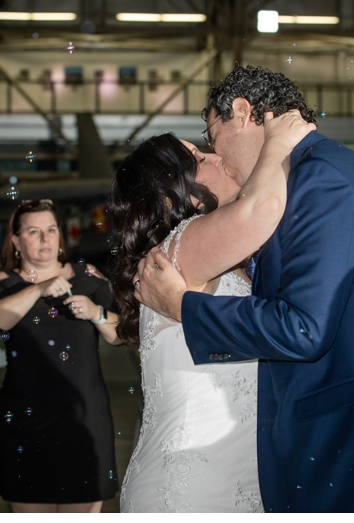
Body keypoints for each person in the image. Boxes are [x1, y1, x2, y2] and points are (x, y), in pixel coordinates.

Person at [133, 65, 354, 511]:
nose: (217, 155)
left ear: (243, 112)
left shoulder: (320, 178)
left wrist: (183, 305)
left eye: (213, 137)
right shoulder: (312, 175)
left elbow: (304, 326)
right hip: (352, 449)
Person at [106, 119, 306, 511]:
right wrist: (278, 141)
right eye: (198, 157)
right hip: (192, 487)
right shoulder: (181, 245)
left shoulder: (210, 255)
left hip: (238, 475)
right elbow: (264, 207)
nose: (216, 156)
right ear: (170, 196)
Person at [0, 200, 123, 511]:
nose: (45, 239)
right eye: (34, 231)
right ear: (16, 241)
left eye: (51, 230)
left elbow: (121, 334)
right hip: (26, 420)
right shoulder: (3, 284)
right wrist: (38, 288)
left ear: (61, 234)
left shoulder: (88, 276)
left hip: (84, 417)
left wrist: (97, 313)